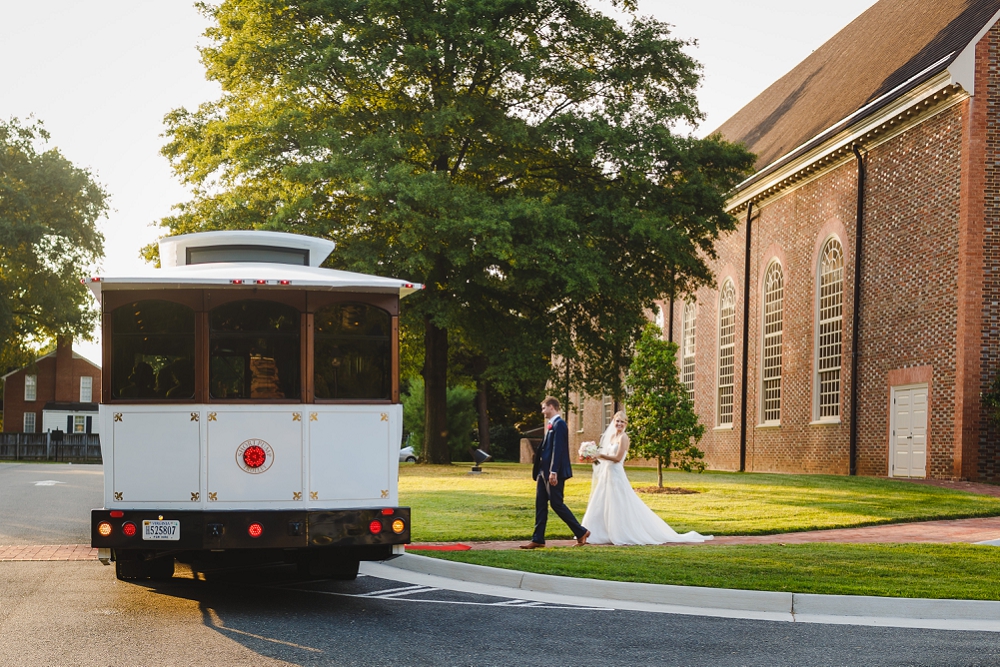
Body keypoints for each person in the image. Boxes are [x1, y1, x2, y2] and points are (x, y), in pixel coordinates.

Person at [581, 411, 712, 545]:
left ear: (625, 424)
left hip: (616, 473)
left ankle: (622, 532)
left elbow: (618, 458)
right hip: (607, 474)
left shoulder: (623, 438)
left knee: (619, 502)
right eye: (617, 421)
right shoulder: (612, 436)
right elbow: (605, 455)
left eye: (622, 421)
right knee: (602, 502)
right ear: (613, 421)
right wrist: (593, 456)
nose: (619, 424)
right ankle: (596, 533)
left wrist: (599, 455)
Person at [521, 396, 590, 549]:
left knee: (556, 504)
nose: (542, 411)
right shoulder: (551, 425)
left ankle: (581, 532)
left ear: (551, 407)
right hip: (542, 472)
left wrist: (553, 471)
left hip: (553, 473)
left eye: (544, 408)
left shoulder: (560, 425)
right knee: (540, 505)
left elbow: (558, 450)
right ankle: (538, 538)